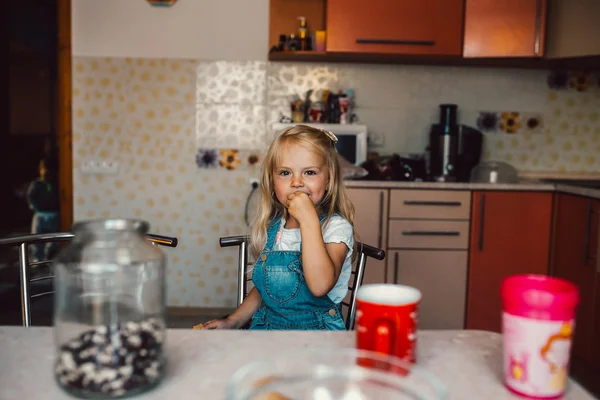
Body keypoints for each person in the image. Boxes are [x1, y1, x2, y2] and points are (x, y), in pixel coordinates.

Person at [202, 125, 355, 330]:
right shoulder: (275, 229)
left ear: (328, 180)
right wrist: (233, 320)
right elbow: (266, 289)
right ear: (273, 182)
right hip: (268, 329)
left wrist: (308, 220)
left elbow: (320, 286)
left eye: (309, 172)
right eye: (285, 173)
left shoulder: (336, 228)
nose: (296, 182)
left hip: (316, 334)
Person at [26, 157, 60, 263]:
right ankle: (37, 259)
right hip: (40, 215)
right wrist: (35, 207)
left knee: (53, 239)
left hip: (53, 215)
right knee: (36, 239)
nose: (46, 172)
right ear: (40, 170)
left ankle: (50, 258)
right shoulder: (36, 184)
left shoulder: (56, 184)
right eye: (43, 169)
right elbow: (30, 197)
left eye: (48, 169)